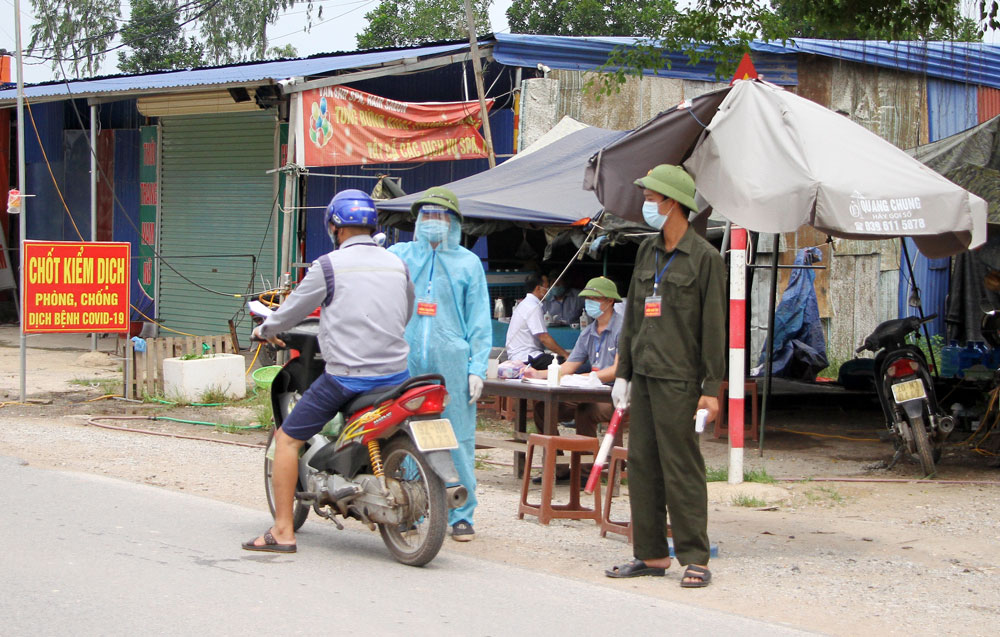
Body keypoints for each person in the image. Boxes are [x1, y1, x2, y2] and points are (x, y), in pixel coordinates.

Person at [242, 189, 414, 553]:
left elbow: (291, 311)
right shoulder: (397, 264)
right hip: (398, 377)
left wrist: (265, 329)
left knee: (288, 439)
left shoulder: (329, 266)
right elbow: (406, 311)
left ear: (334, 226)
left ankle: (284, 530)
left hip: (349, 377)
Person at [605, 164, 726, 588]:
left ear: (672, 202)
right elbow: (633, 317)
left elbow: (714, 328)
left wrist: (711, 389)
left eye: (651, 198)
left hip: (680, 380)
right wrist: (624, 373)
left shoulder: (706, 258)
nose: (646, 205)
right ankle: (652, 554)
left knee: (681, 466)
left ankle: (696, 556)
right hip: (646, 377)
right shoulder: (646, 253)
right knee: (642, 465)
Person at [387, 187, 491, 542]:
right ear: (416, 222)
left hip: (452, 368)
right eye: (426, 216)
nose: (432, 222)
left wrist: (477, 368)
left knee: (456, 439)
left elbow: (479, 321)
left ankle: (461, 511)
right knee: (405, 435)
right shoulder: (399, 256)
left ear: (453, 223)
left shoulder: (467, 263)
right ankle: (410, 508)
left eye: (440, 216)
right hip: (406, 363)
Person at [525, 276, 624, 483]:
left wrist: (587, 376)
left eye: (594, 299)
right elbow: (569, 366)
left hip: (616, 393)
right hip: (587, 390)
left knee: (586, 411)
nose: (590, 303)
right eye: (587, 298)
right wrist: (537, 374)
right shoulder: (588, 332)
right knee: (544, 408)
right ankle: (559, 468)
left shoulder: (623, 330)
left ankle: (585, 473)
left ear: (610, 301)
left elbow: (617, 370)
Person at [505, 272, 570, 368]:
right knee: (568, 365)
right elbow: (544, 338)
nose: (549, 290)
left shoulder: (526, 304)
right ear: (538, 288)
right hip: (527, 357)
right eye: (547, 287)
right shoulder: (532, 307)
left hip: (522, 355)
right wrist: (565, 355)